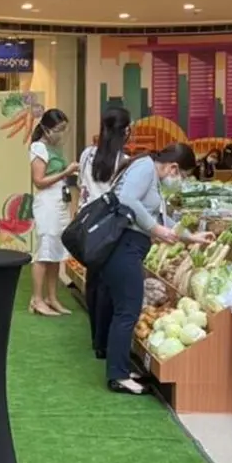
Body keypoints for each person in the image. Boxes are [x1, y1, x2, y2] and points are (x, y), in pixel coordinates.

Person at [97, 143, 214, 394]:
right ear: (173, 167)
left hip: (130, 249)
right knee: (127, 310)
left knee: (126, 309)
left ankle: (122, 367)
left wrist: (191, 237)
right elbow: (127, 199)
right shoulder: (145, 168)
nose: (180, 181)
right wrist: (155, 229)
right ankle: (117, 375)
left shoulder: (152, 177)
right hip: (123, 248)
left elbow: (162, 219)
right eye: (182, 175)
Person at [80, 107, 131, 343]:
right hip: (109, 228)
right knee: (108, 285)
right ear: (126, 131)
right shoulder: (125, 162)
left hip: (86, 225)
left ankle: (95, 337)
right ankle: (104, 339)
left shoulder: (88, 154)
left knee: (93, 282)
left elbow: (83, 186)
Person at [28, 108, 78, 316]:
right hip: (47, 202)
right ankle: (37, 299)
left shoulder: (56, 147)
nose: (62, 133)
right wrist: (65, 172)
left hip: (60, 202)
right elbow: (39, 182)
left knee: (56, 252)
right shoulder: (39, 147)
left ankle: (52, 297)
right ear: (47, 129)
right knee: (44, 251)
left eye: (64, 129)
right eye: (58, 129)